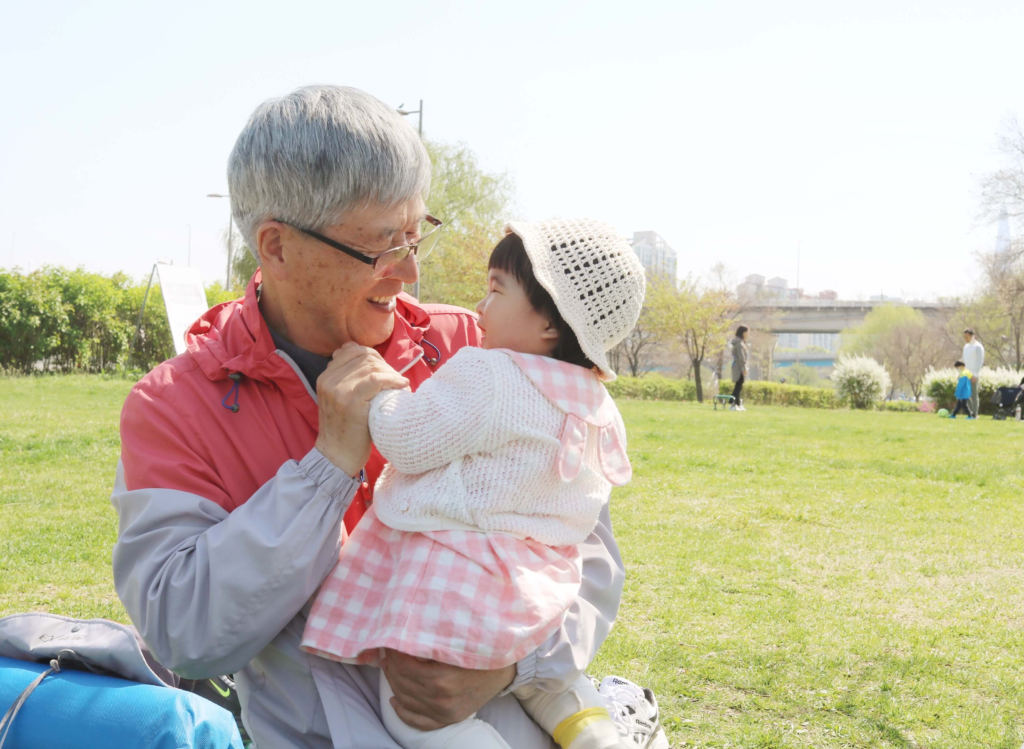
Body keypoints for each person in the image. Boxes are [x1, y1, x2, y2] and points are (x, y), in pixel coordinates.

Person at [109, 86, 631, 749]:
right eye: (385, 246)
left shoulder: (482, 350)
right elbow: (185, 633)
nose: (410, 272)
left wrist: (512, 665)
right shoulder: (175, 407)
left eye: (417, 236)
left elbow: (583, 546)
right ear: (276, 245)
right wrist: (328, 467)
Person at [301, 221, 644, 749]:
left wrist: (380, 393)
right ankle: (597, 734)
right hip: (538, 589)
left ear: (551, 322)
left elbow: (408, 441)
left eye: (495, 291)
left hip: (459, 584)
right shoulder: (596, 404)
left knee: (415, 716)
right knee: (551, 685)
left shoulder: (490, 374)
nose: (479, 309)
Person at [962, 329, 985, 418]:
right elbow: (964, 361)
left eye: (967, 336)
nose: (966, 338)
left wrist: (975, 374)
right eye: (965, 337)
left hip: (973, 374)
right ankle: (970, 412)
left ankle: (974, 414)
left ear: (972, 336)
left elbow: (980, 361)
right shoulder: (966, 347)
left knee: (974, 395)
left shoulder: (978, 347)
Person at [730, 326, 749, 411]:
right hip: (739, 367)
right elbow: (741, 358)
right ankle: (733, 403)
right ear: (743, 333)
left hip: (737, 366)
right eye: (747, 332)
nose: (747, 334)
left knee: (738, 386)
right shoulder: (740, 343)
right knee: (738, 386)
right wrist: (744, 368)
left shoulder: (739, 342)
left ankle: (736, 404)